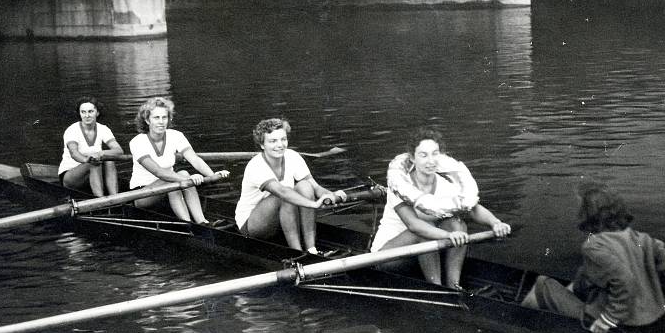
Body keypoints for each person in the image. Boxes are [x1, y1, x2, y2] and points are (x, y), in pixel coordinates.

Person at [520, 183, 665, 333]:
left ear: (587, 214)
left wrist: (608, 319)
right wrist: (664, 295)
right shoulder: (641, 238)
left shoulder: (594, 246)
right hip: (654, 315)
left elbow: (624, 279)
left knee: (541, 285)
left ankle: (520, 329)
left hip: (621, 324)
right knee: (584, 280)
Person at [371, 127, 511, 289]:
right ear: (412, 158)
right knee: (426, 230)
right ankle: (437, 288)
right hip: (389, 257)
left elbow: (473, 208)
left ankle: (453, 285)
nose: (430, 161)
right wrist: (448, 235)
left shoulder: (445, 184)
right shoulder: (400, 186)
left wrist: (495, 223)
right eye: (423, 155)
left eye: (435, 154)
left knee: (457, 224)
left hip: (423, 255)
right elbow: (414, 225)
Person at [234, 118, 347, 254]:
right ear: (262, 145)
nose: (280, 145)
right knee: (285, 196)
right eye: (273, 141)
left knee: (305, 186)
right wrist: (314, 205)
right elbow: (282, 192)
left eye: (283, 139)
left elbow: (315, 187)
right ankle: (297, 252)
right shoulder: (256, 166)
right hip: (252, 225)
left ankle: (311, 249)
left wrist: (332, 195)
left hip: (281, 218)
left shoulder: (293, 156)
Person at [129, 96, 229, 223]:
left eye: (164, 117)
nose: (161, 122)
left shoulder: (176, 135)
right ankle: (188, 224)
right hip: (142, 195)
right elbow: (159, 172)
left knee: (182, 174)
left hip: (169, 186)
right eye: (156, 118)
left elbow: (194, 159)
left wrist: (212, 175)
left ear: (169, 119)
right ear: (148, 120)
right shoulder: (137, 142)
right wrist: (189, 179)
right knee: (177, 178)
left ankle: (202, 222)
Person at [58, 96, 124, 197]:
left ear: (97, 113)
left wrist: (101, 153)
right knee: (93, 163)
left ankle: (115, 197)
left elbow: (119, 150)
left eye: (90, 111)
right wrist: (87, 159)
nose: (87, 115)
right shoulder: (72, 130)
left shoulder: (103, 129)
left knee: (109, 159)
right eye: (83, 112)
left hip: (92, 174)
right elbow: (74, 153)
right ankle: (100, 200)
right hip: (70, 177)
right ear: (79, 114)